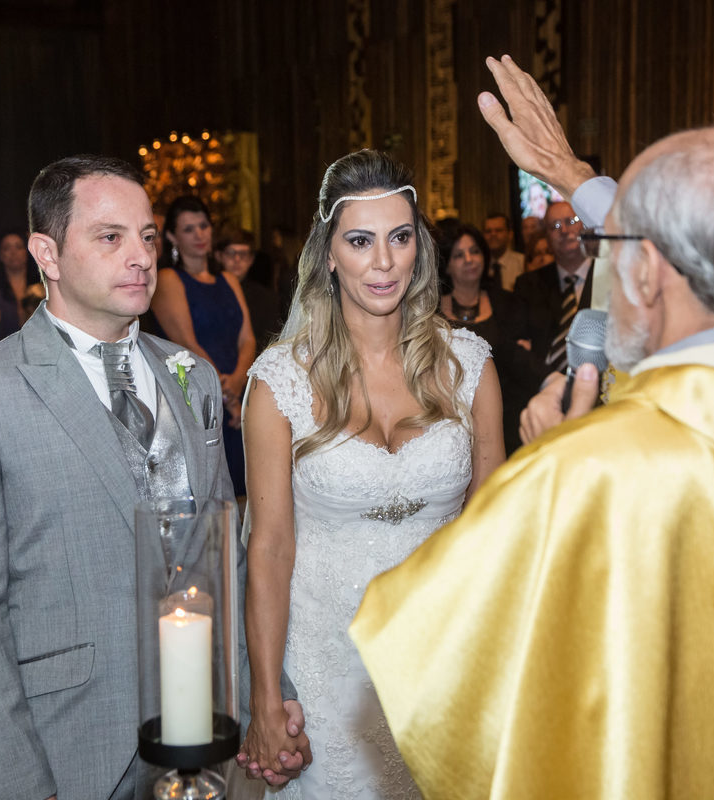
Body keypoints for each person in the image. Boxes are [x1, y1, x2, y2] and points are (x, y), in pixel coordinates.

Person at [350, 54, 714, 799]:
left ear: (646, 272)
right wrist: (578, 179)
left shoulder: (603, 469)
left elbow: (437, 661)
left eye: (615, 248)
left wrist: (547, 475)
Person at [0, 155, 306, 800]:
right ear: (46, 253)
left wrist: (266, 696)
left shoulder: (191, 376)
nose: (141, 256)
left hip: (203, 731)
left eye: (148, 236)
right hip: (72, 744)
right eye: (110, 237)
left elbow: (224, 559)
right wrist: (15, 785)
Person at [239, 150, 506, 798]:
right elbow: (269, 549)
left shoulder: (470, 367)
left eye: (400, 237)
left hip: (442, 659)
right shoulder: (279, 384)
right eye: (360, 241)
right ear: (328, 254)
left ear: (420, 248)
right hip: (324, 666)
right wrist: (266, 696)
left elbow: (494, 533)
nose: (383, 261)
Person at [149, 195, 256, 496]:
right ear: (172, 237)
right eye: (188, 229)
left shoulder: (228, 280)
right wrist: (226, 396)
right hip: (198, 397)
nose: (199, 234)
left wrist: (238, 383)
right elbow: (186, 343)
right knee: (213, 494)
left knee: (248, 488)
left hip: (238, 393)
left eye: (204, 226)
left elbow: (248, 338)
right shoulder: (168, 279)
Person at [437, 224, 539, 454]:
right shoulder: (431, 309)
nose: (469, 260)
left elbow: (521, 360)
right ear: (447, 265)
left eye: (475, 251)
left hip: (508, 415)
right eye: (459, 255)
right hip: (449, 418)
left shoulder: (509, 304)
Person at [512, 200, 595, 373]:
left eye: (570, 221)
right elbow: (517, 346)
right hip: (544, 381)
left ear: (585, 226)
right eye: (554, 226)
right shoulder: (528, 285)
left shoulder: (609, 277)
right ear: (547, 238)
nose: (564, 230)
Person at [216, 228, 282, 352]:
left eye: (243, 254)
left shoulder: (266, 299)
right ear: (219, 256)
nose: (237, 259)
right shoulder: (207, 293)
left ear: (251, 259)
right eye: (231, 253)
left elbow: (270, 342)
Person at [0, 227, 42, 338]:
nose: (13, 253)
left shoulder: (42, 287)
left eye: (18, 247)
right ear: (0, 255)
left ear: (27, 251)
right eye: (7, 248)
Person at [481, 211, 526, 290]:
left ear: (510, 235)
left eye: (498, 230)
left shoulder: (523, 263)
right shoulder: (478, 265)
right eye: (488, 231)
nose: (493, 234)